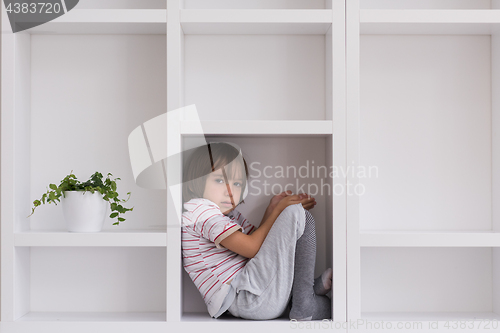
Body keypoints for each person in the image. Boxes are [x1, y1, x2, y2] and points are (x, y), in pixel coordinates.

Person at [181, 142, 332, 320]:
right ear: (192, 183)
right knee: (298, 214)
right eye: (220, 180)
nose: (230, 191)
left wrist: (271, 209)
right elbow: (252, 248)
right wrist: (278, 212)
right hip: (247, 298)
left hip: (251, 297)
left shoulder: (227, 216)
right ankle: (304, 296)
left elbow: (260, 246)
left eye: (237, 183)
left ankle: (301, 296)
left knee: (330, 306)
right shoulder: (201, 211)